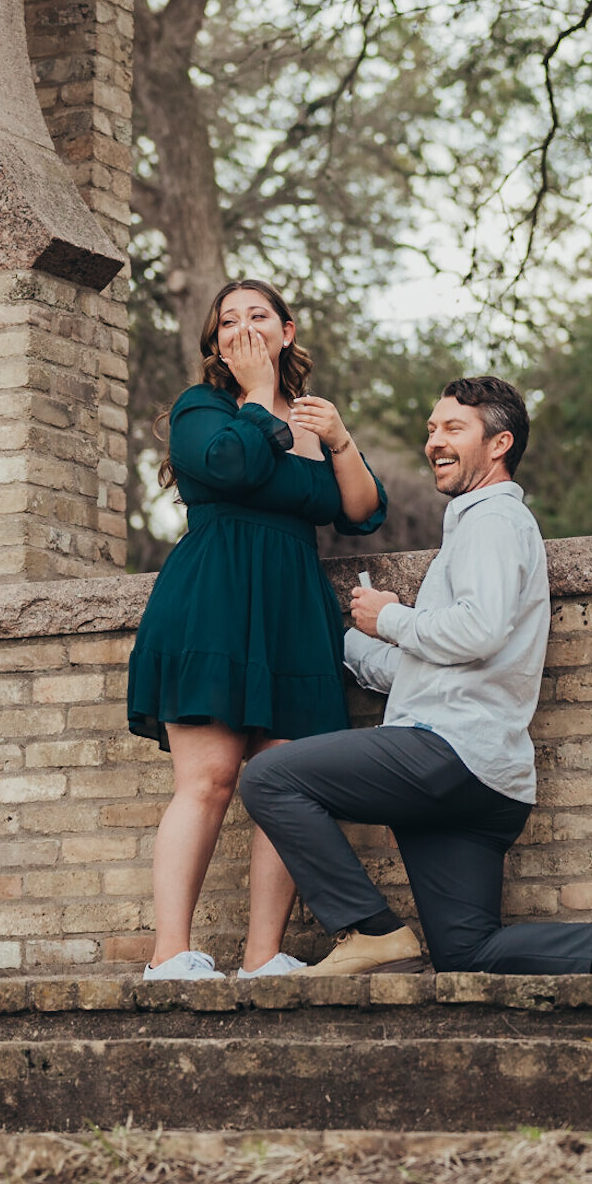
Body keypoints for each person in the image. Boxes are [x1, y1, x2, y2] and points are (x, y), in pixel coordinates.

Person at [240, 375, 592, 978]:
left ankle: (371, 932)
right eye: (432, 428)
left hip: (447, 751)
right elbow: (427, 662)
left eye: (454, 428)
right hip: (490, 783)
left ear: (499, 443)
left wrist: (393, 616)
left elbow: (477, 629)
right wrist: (345, 637)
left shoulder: (492, 521)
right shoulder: (473, 528)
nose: (435, 440)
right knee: (468, 953)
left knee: (272, 778)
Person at [127, 278, 388, 983]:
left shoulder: (311, 415)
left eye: (259, 315)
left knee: (286, 780)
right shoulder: (200, 408)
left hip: (293, 610)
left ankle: (263, 955)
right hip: (213, 597)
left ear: (288, 330)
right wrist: (253, 392)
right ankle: (169, 956)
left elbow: (362, 512)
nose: (243, 326)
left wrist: (339, 438)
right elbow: (229, 465)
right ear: (216, 342)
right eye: (229, 320)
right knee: (208, 781)